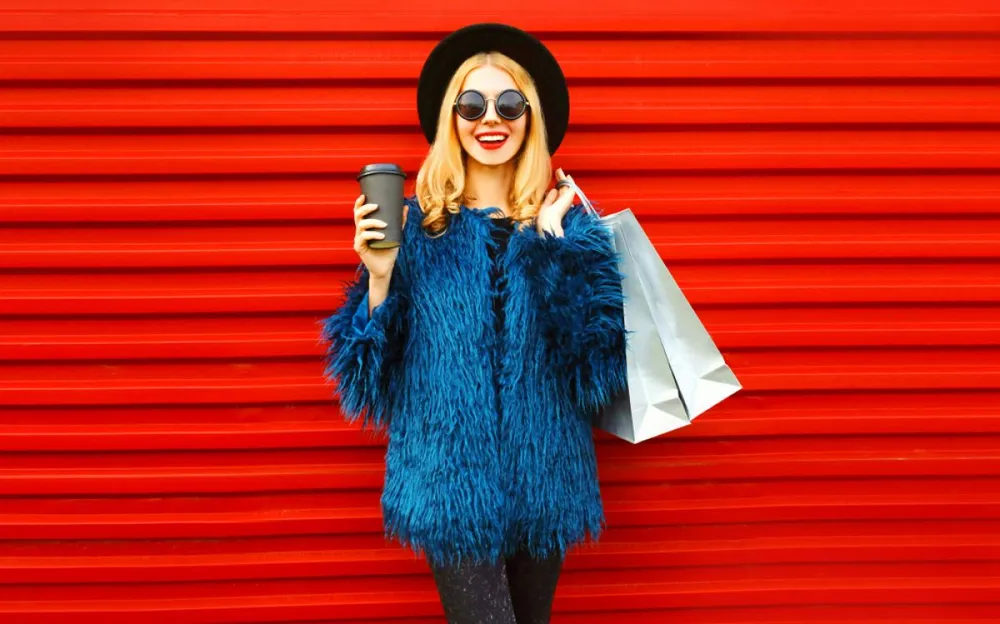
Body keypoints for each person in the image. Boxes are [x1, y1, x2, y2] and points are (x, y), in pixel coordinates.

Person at [321, 22, 630, 624]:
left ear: (530, 117)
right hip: (447, 484)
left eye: (509, 102)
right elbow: (367, 384)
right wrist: (380, 275)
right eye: (472, 103)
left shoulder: (571, 228)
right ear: (452, 119)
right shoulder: (413, 230)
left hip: (545, 482)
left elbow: (597, 375)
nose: (491, 118)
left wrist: (553, 245)